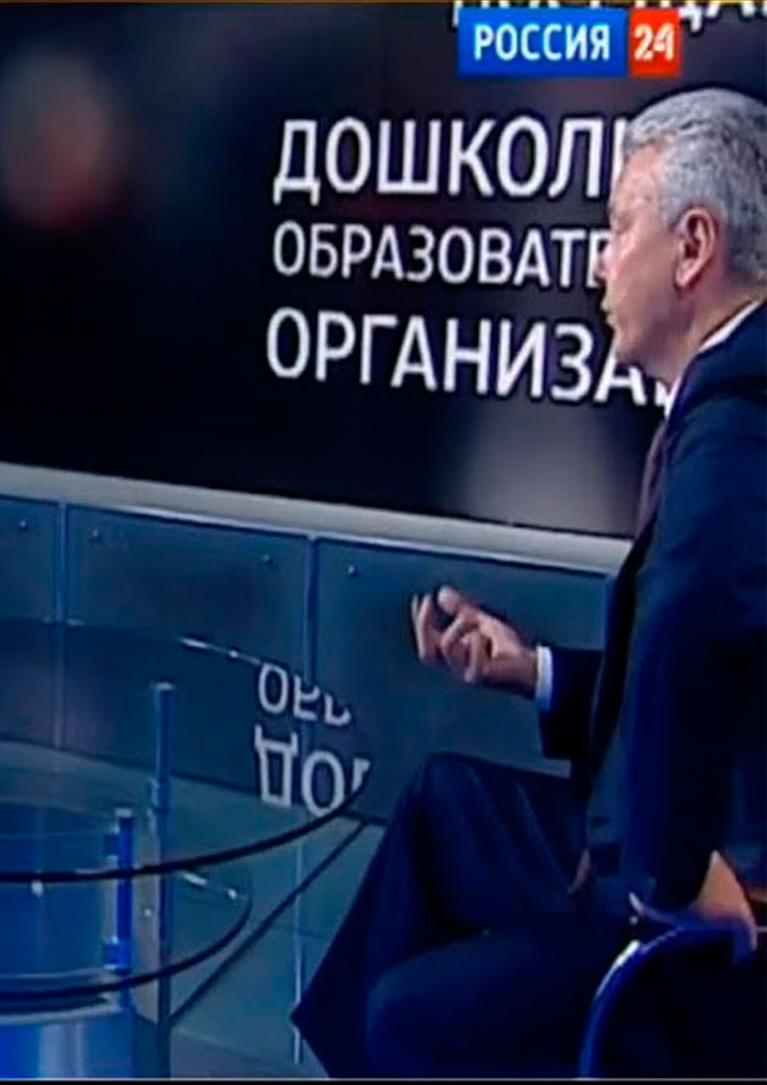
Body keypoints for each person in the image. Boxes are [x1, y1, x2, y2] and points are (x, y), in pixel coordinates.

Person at [292, 86, 767, 1077]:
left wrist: (673, 869)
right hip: (635, 831)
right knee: (440, 802)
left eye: (617, 227)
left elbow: (688, 623)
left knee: (405, 1017)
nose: (596, 261)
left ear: (691, 248)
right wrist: (535, 670)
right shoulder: (720, 400)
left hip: (679, 902)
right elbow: (707, 668)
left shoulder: (741, 419)